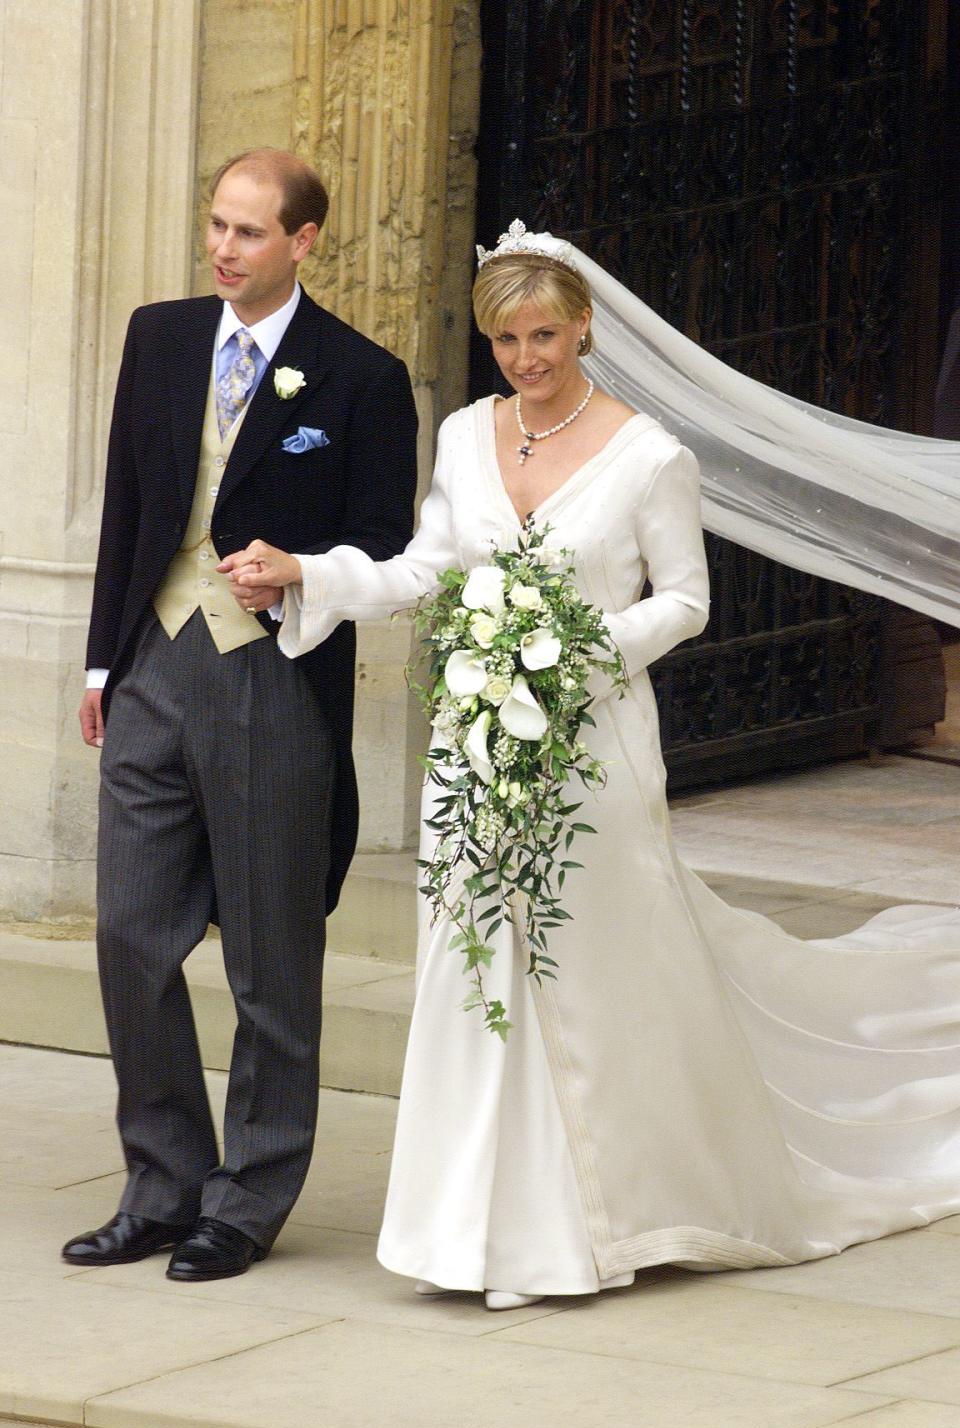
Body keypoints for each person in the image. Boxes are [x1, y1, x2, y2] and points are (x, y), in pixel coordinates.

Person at [220, 224, 960, 1310]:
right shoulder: (470, 437)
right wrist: (308, 574)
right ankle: (470, 1235)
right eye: (509, 340)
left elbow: (686, 601)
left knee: (584, 974)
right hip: (474, 746)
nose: (529, 357)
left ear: (586, 329)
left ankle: (588, 1226)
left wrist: (573, 649)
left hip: (593, 753)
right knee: (475, 973)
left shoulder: (652, 455)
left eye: (548, 336)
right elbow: (426, 568)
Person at [63, 148, 418, 1281]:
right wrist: (98, 667)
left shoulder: (361, 376)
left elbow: (389, 546)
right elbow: (128, 505)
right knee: (129, 934)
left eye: (250, 232)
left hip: (271, 678)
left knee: (271, 958)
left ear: (304, 241)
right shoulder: (158, 336)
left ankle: (249, 1197)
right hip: (154, 663)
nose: (223, 248)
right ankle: (163, 1184)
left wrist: (303, 568)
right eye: (216, 224)